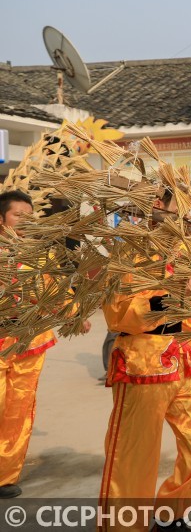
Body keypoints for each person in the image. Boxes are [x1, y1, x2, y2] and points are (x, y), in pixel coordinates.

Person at [99, 186, 191, 531]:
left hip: (181, 363)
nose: (189, 216)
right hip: (142, 365)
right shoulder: (129, 248)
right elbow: (117, 314)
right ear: (158, 205)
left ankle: (169, 513)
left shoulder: (181, 252)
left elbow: (188, 303)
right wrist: (165, 302)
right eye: (182, 207)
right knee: (134, 458)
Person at [0, 190, 90, 499]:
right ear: (1, 220)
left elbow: (55, 290)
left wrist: (73, 314)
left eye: (29, 216)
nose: (25, 222)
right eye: (17, 216)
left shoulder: (40, 255)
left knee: (18, 408)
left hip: (29, 342)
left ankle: (5, 476)